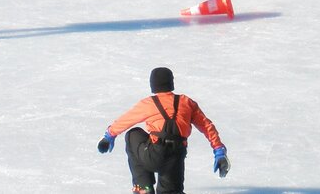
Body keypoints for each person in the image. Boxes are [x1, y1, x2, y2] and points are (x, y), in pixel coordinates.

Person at [96, 67, 229, 194]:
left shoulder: (148, 104)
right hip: (176, 157)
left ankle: (144, 187)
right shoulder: (186, 102)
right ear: (171, 83)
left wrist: (109, 136)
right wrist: (219, 150)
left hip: (154, 155)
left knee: (133, 134)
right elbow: (207, 126)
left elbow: (125, 121)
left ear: (153, 85)